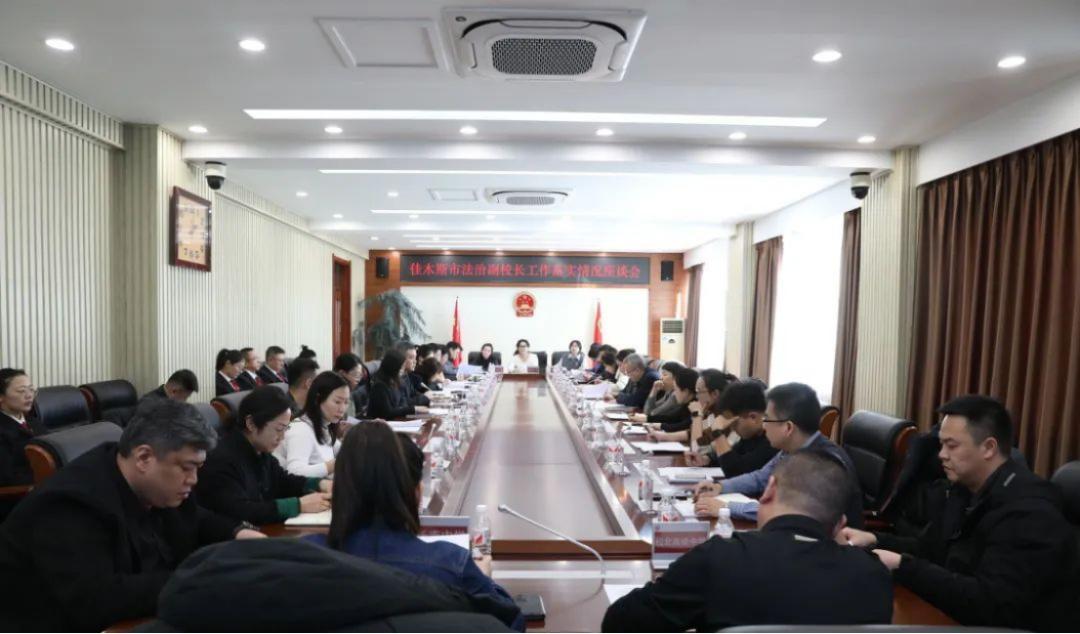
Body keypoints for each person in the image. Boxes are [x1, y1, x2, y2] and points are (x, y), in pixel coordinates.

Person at [0, 399, 265, 631]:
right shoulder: (69, 505)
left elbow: (197, 518)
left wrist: (238, 532)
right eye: (187, 467)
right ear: (144, 458)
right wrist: (199, 579)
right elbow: (98, 599)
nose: (193, 479)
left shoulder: (157, 485)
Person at [839, 395, 1080, 629]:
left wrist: (903, 566)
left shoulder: (1029, 512)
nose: (941, 454)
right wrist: (875, 539)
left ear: (988, 448)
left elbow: (990, 604)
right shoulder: (963, 490)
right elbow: (930, 548)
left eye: (951, 445)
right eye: (941, 444)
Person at [603, 451, 893, 631]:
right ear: (840, 524)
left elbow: (620, 623)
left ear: (769, 491)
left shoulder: (719, 559)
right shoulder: (873, 576)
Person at [304, 421, 525, 631]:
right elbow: (510, 622)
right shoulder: (450, 564)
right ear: (416, 492)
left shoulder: (306, 560)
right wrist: (483, 580)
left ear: (338, 488)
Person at [693, 382, 864, 529]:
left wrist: (726, 507)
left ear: (788, 428)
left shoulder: (821, 462)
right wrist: (720, 487)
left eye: (767, 419)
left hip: (833, 545)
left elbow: (784, 511)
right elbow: (760, 478)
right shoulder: (791, 449)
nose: (763, 426)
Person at [197, 386, 332, 525]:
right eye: (279, 429)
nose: (282, 437)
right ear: (251, 423)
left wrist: (320, 484)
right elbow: (240, 510)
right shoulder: (221, 459)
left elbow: (282, 481)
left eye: (286, 429)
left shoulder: (260, 449)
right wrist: (298, 505)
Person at [685, 379, 779, 478]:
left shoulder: (772, 439)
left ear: (753, 417)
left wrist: (717, 433)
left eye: (734, 424)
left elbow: (735, 472)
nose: (733, 429)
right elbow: (734, 456)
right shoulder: (751, 436)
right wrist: (706, 459)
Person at [275, 372, 350, 478]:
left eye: (346, 402)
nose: (342, 409)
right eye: (337, 402)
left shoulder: (323, 425)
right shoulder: (300, 430)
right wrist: (335, 464)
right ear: (317, 399)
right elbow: (295, 472)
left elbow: (340, 449)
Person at [1, 369, 39, 515]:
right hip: (17, 501)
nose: (29, 395)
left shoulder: (32, 421)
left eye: (31, 389)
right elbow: (7, 478)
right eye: (21, 391)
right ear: (1, 397)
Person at [368, 349, 429, 420]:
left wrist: (415, 410)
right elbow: (388, 413)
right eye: (400, 368)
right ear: (392, 368)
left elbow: (403, 403)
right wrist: (413, 409)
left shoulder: (396, 382)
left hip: (397, 421)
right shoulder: (379, 386)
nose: (402, 370)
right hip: (382, 424)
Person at [640, 367, 699, 437]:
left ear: (686, 391)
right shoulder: (686, 404)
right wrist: (650, 421)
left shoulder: (695, 406)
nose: (674, 393)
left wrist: (660, 426)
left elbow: (683, 426)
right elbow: (671, 418)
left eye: (676, 389)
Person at [332, 353, 365, 419]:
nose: (358, 380)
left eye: (360, 376)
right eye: (356, 375)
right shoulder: (331, 394)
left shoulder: (353, 394)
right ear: (341, 373)